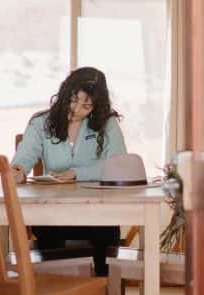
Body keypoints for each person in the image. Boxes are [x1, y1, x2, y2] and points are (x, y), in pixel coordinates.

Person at [11, 67, 126, 276]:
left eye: (86, 105)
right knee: (47, 228)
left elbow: (117, 165)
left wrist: (77, 173)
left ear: (96, 106)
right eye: (73, 100)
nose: (76, 109)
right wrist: (18, 170)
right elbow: (23, 158)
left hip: (96, 213)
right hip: (53, 213)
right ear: (65, 93)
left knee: (106, 229)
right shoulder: (41, 123)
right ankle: (54, 294)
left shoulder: (108, 124)